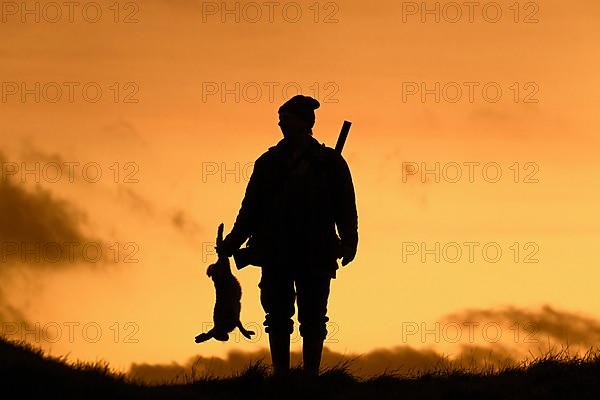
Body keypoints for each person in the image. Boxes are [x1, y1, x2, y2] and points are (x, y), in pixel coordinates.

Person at [217, 94, 358, 376]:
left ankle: (311, 377)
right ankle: (281, 375)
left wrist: (350, 239)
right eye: (280, 120)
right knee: (277, 315)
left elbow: (345, 206)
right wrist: (233, 240)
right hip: (276, 249)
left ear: (305, 123)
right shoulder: (268, 162)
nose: (281, 124)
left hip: (316, 249)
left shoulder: (330, 163)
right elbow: (251, 208)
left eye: (287, 119)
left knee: (314, 316)